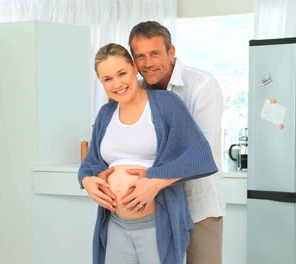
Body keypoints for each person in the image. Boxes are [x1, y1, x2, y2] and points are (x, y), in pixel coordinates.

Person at [78, 43, 218, 264]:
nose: (117, 84)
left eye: (122, 73)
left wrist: (154, 181)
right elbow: (92, 162)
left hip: (156, 224)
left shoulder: (166, 103)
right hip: (115, 224)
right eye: (108, 79)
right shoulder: (106, 114)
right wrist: (86, 180)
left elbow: (200, 156)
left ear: (134, 68)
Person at [128, 21, 225, 264]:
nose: (148, 63)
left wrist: (153, 180)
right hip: (152, 208)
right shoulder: (135, 91)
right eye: (140, 56)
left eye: (155, 53)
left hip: (198, 207)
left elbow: (203, 154)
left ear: (171, 52)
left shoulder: (202, 85)